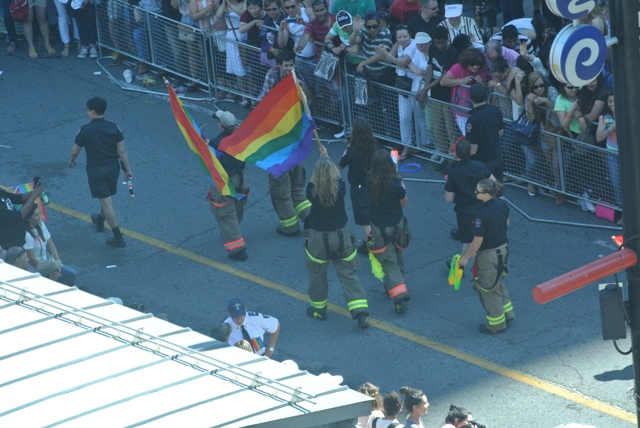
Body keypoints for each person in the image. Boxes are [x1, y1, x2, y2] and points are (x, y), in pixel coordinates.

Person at [304, 147, 370, 328]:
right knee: (348, 272)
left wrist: (320, 165)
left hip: (319, 239)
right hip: (342, 237)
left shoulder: (312, 193)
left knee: (317, 274)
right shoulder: (340, 189)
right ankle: (360, 312)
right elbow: (338, 175)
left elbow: (311, 183)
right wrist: (327, 159)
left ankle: (318, 310)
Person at [258, 51, 312, 236]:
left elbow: (264, 106)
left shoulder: (298, 79)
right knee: (296, 186)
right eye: (286, 65)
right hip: (294, 141)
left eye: (291, 65)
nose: (289, 69)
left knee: (282, 188)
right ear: (279, 65)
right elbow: (264, 102)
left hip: (280, 143)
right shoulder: (273, 76)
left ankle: (290, 226)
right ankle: (310, 219)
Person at [69, 97, 133, 248]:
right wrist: (128, 170)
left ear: (92, 111)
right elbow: (122, 151)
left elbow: (74, 150)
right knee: (105, 196)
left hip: (96, 170)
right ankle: (99, 219)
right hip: (113, 168)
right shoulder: (114, 127)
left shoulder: (85, 130)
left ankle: (118, 237)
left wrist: (71, 160)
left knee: (106, 202)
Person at [459, 179, 513, 334]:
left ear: (487, 194)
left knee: (488, 289)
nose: (475, 193)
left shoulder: (480, 214)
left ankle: (496, 324)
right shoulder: (502, 204)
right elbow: (506, 222)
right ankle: (508, 313)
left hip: (488, 254)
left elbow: (476, 242)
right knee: (497, 282)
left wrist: (465, 258)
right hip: (503, 249)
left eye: (478, 191)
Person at [375, 28, 430, 160]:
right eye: (399, 37)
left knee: (420, 115)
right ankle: (407, 146)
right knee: (404, 117)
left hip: (416, 84)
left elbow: (401, 62)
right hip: (403, 85)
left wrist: (385, 53)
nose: (402, 39)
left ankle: (425, 144)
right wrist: (383, 52)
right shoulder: (397, 44)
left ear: (410, 36)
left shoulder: (413, 45)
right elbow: (388, 60)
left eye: (404, 36)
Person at [368, 149, 411, 314]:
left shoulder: (369, 180)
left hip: (379, 227)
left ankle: (399, 297)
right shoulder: (396, 182)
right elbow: (404, 203)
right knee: (397, 255)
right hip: (397, 225)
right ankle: (398, 285)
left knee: (388, 260)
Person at [206, 111, 248, 261]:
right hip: (241, 179)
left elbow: (212, 161)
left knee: (225, 214)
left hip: (225, 182)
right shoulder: (240, 138)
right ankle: (234, 229)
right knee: (237, 207)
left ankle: (237, 250)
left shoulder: (215, 144)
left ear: (220, 125)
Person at [444, 139, 493, 266]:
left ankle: (478, 272)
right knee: (475, 239)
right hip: (482, 208)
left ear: (456, 153)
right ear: (470, 152)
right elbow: (493, 182)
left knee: (470, 241)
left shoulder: (454, 172)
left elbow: (448, 199)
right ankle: (460, 264)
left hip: (465, 212)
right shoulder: (479, 166)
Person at [417, 26, 458, 164]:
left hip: (447, 95)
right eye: (437, 43)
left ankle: (451, 157)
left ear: (447, 39)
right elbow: (430, 69)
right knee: (436, 126)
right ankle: (444, 154)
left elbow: (444, 75)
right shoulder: (433, 49)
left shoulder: (453, 52)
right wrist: (426, 89)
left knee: (449, 127)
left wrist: (425, 89)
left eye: (442, 43)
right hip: (434, 94)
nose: (439, 46)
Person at [338, 118, 378, 254]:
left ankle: (370, 246)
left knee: (364, 220)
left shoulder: (351, 151)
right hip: (375, 186)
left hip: (359, 189)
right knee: (374, 215)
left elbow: (339, 166)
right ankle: (377, 241)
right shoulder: (376, 147)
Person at [23, 205, 77, 286]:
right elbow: (33, 259)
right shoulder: (26, 235)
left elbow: (50, 243)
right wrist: (52, 269)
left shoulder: (40, 224)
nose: (40, 216)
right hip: (38, 266)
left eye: (39, 213)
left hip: (48, 262)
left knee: (73, 273)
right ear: (29, 219)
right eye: (36, 215)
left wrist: (58, 262)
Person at [439, 48, 488, 136]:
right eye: (472, 64)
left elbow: (485, 89)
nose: (475, 67)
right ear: (466, 63)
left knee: (478, 135)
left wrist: (481, 83)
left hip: (478, 110)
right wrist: (461, 81)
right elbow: (443, 82)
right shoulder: (457, 67)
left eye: (477, 64)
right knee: (468, 135)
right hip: (460, 111)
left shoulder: (482, 70)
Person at [522, 71, 555, 196]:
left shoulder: (551, 91)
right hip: (542, 133)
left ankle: (556, 186)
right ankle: (539, 183)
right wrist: (530, 104)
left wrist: (545, 100)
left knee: (555, 163)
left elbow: (558, 109)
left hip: (556, 131)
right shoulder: (529, 97)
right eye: (536, 87)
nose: (540, 89)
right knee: (543, 160)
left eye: (542, 85)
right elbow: (530, 119)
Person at [466, 84, 505, 185]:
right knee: (497, 188)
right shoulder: (495, 111)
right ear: (487, 95)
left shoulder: (472, 120)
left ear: (471, 97)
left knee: (482, 191)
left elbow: (473, 150)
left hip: (481, 162)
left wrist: (459, 155)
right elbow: (500, 132)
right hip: (497, 157)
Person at [351, 11, 395, 86]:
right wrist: (355, 31)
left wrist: (362, 63)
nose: (372, 29)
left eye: (375, 26)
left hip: (384, 75)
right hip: (369, 73)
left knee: (386, 97)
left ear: (379, 24)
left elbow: (380, 55)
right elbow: (352, 42)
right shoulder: (363, 31)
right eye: (368, 27)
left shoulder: (386, 33)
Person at [0, 181, 43, 251]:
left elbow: (19, 198)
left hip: (19, 241)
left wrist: (34, 192)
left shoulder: (1, 193)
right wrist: (33, 196)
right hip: (10, 246)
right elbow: (17, 217)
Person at [596, 92, 621, 213]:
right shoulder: (604, 117)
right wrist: (613, 127)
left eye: (615, 101)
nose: (612, 104)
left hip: (628, 155)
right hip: (612, 154)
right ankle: (622, 211)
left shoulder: (630, 114)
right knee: (616, 183)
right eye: (610, 101)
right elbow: (599, 137)